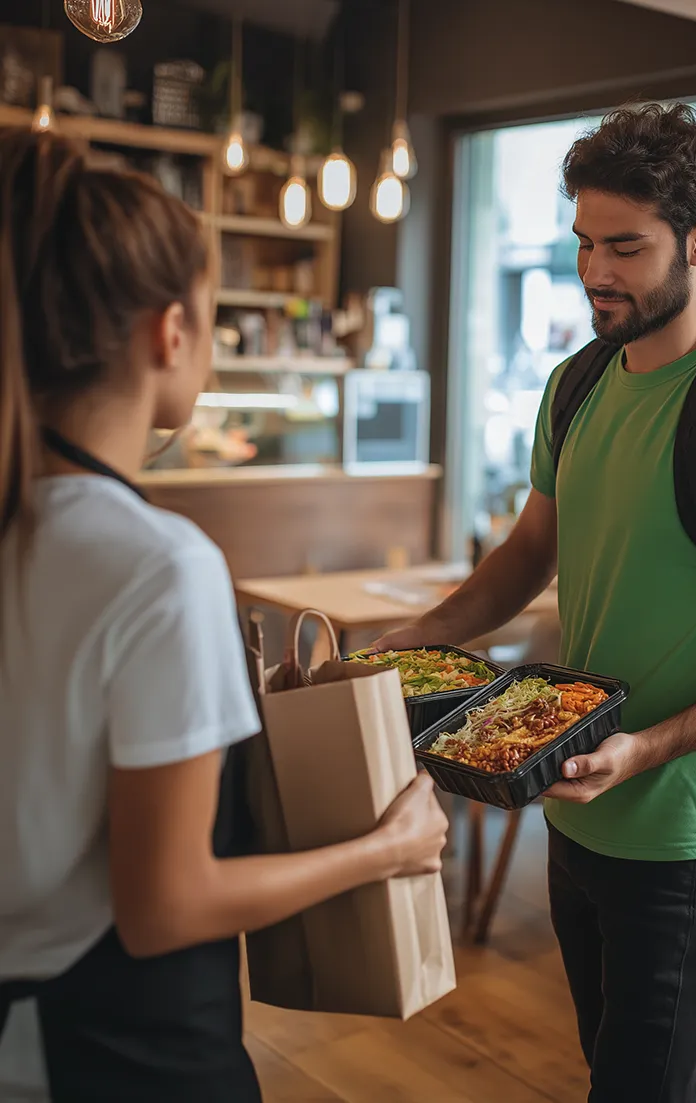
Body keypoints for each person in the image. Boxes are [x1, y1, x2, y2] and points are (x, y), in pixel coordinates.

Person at [374, 102, 696, 1101]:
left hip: (687, 829)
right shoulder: (576, 383)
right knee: (612, 1073)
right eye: (583, 243)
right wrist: (412, 640)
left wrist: (649, 743)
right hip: (575, 811)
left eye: (625, 247)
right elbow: (527, 553)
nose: (594, 271)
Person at [0, 130, 448, 1102]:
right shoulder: (158, 566)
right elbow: (164, 905)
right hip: (126, 1049)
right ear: (170, 333)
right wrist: (389, 846)